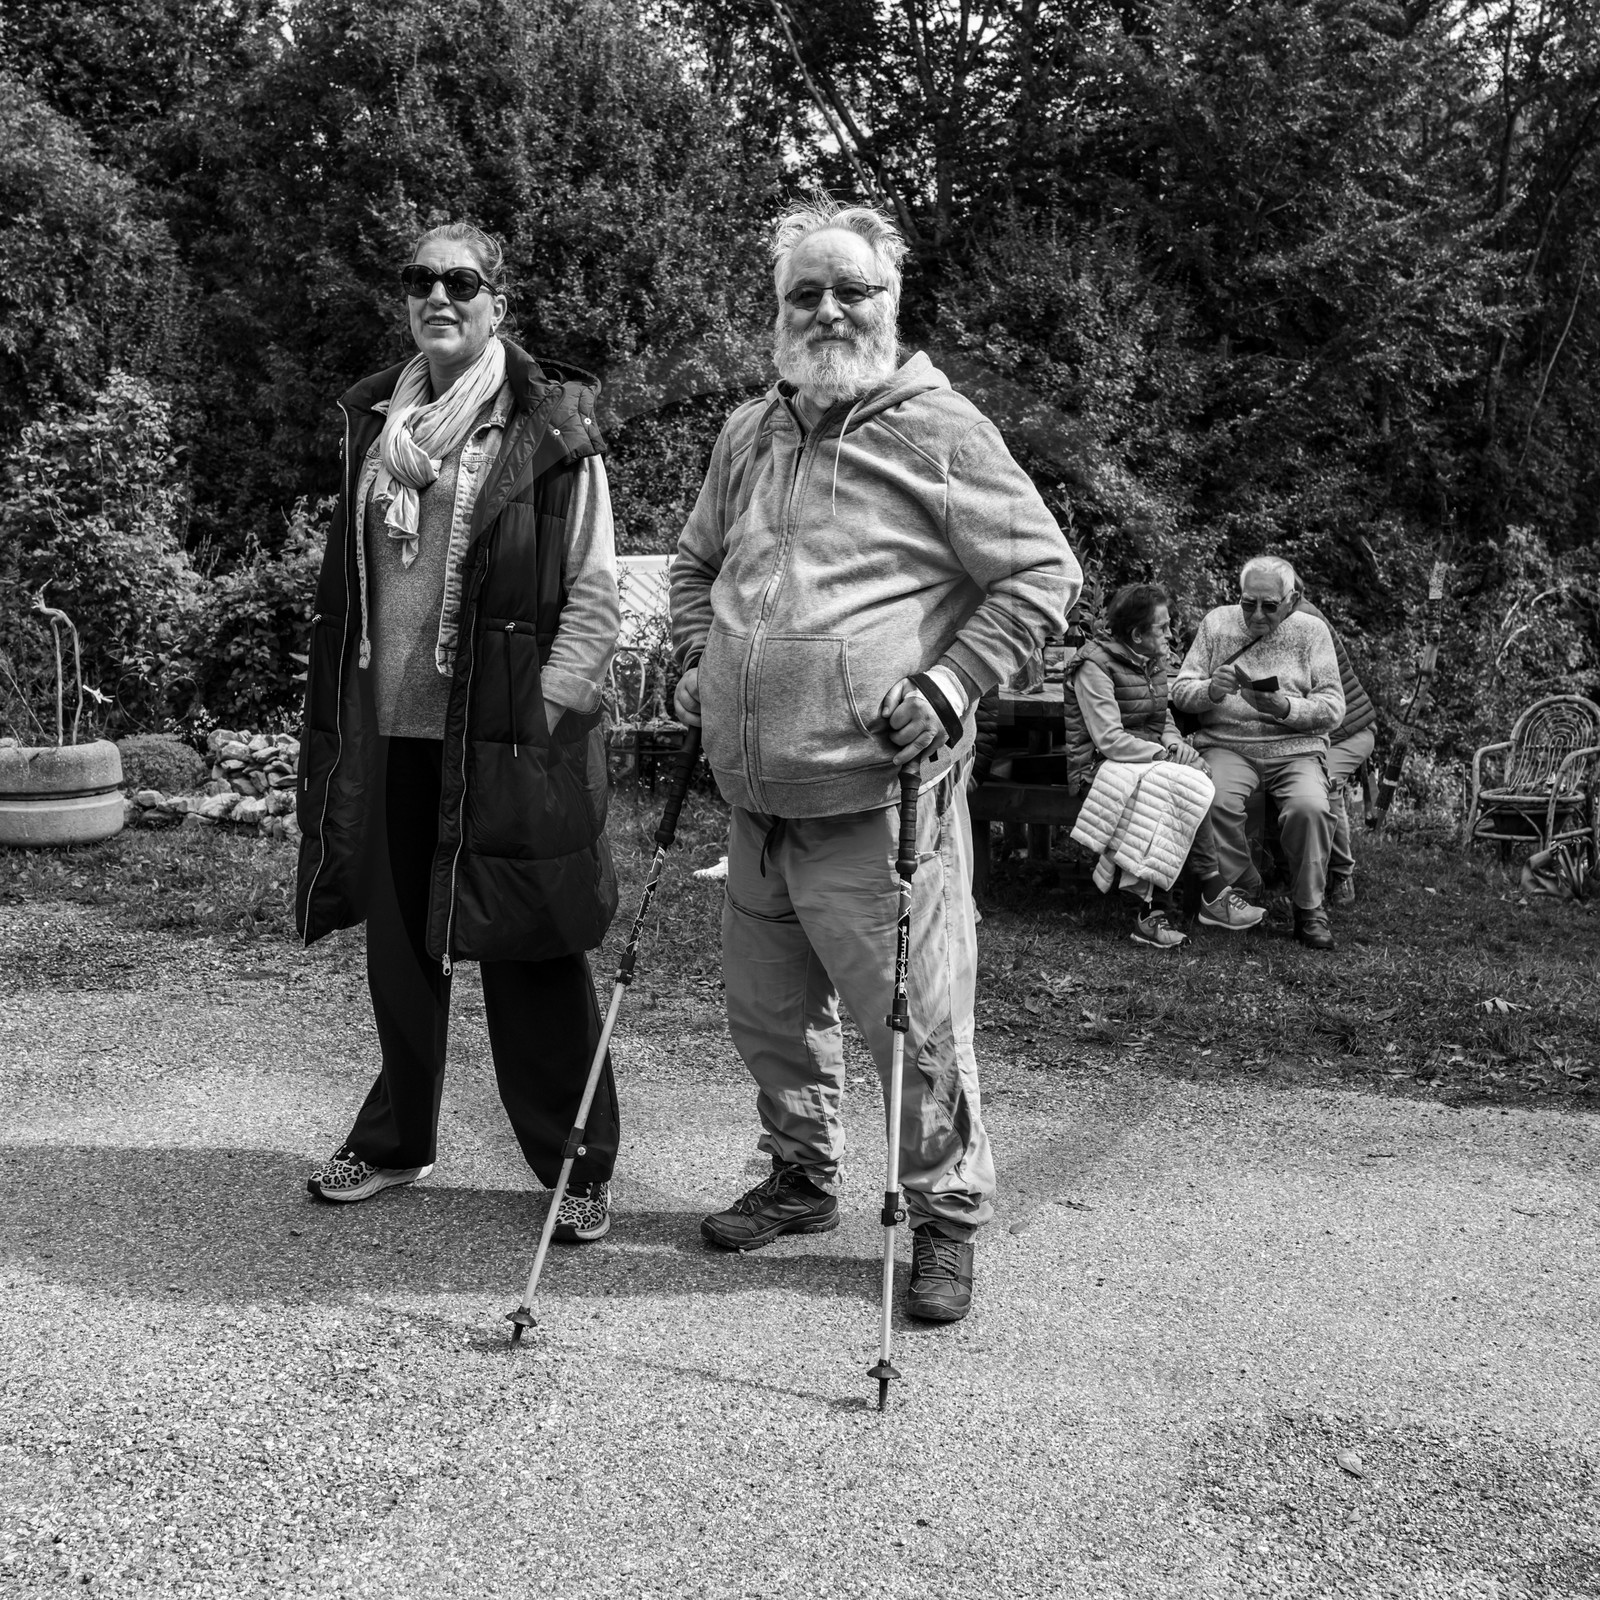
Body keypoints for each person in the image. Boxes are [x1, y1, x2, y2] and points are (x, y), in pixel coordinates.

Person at [669, 193, 1080, 1323]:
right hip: (755, 798)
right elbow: (695, 568)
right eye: (806, 292)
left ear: (893, 301)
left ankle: (945, 1216)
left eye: (854, 290)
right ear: (777, 309)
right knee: (768, 1016)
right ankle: (802, 1178)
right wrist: (698, 661)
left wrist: (949, 686)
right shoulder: (750, 430)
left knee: (913, 1025)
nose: (829, 309)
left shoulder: (939, 430)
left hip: (879, 802)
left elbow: (1042, 574)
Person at [295, 221, 623, 1242]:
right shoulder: (375, 423)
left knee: (532, 950)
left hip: (506, 736)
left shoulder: (549, 429)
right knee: (401, 951)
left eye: (462, 280)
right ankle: (398, 1139)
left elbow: (598, 595)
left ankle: (578, 1165)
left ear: (499, 301)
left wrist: (543, 718)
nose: (439, 295)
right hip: (390, 729)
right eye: (420, 279)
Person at [1061, 583, 1265, 948]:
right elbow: (1108, 739)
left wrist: (1175, 745)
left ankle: (1168, 908)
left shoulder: (1152, 663)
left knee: (1193, 778)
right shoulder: (1093, 667)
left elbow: (1162, 720)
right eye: (1163, 628)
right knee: (1174, 787)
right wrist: (1166, 756)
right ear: (1137, 634)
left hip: (1144, 762)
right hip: (1099, 767)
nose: (1171, 635)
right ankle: (1189, 900)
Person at [1169, 555, 1345, 950]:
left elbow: (1333, 708)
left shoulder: (1311, 631)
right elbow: (1180, 691)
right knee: (1212, 799)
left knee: (1309, 809)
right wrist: (1212, 689)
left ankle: (1309, 909)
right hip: (1227, 744)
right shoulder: (1217, 623)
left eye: (1270, 605)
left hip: (1295, 748)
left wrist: (1285, 708)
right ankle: (1243, 886)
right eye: (1249, 603)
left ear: (1292, 599)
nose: (1258, 613)